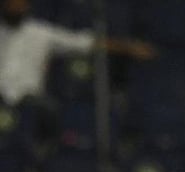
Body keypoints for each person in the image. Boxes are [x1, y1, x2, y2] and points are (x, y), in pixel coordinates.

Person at [0, 0, 155, 107]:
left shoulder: (41, 33)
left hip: (29, 102)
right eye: (12, 4)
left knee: (49, 110)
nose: (15, 7)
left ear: (26, 6)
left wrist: (128, 47)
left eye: (19, 4)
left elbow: (83, 42)